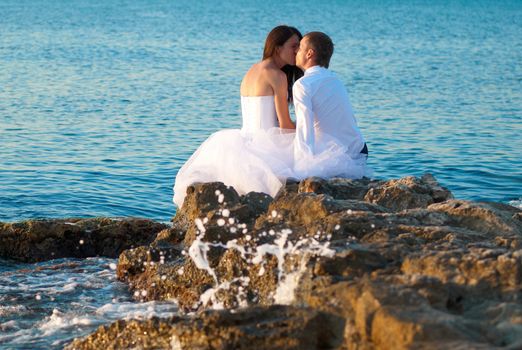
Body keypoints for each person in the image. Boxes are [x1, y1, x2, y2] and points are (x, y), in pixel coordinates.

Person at [173, 25, 303, 208]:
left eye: (300, 46)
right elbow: (284, 125)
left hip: (245, 139)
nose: (298, 51)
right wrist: (309, 127)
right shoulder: (277, 75)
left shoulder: (252, 70)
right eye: (294, 46)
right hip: (267, 144)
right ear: (277, 47)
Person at [292, 31, 370, 179]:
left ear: (309, 53)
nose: (296, 51)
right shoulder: (335, 79)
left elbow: (304, 128)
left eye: (300, 47)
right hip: (359, 149)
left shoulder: (303, 84)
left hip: (336, 156)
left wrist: (301, 170)